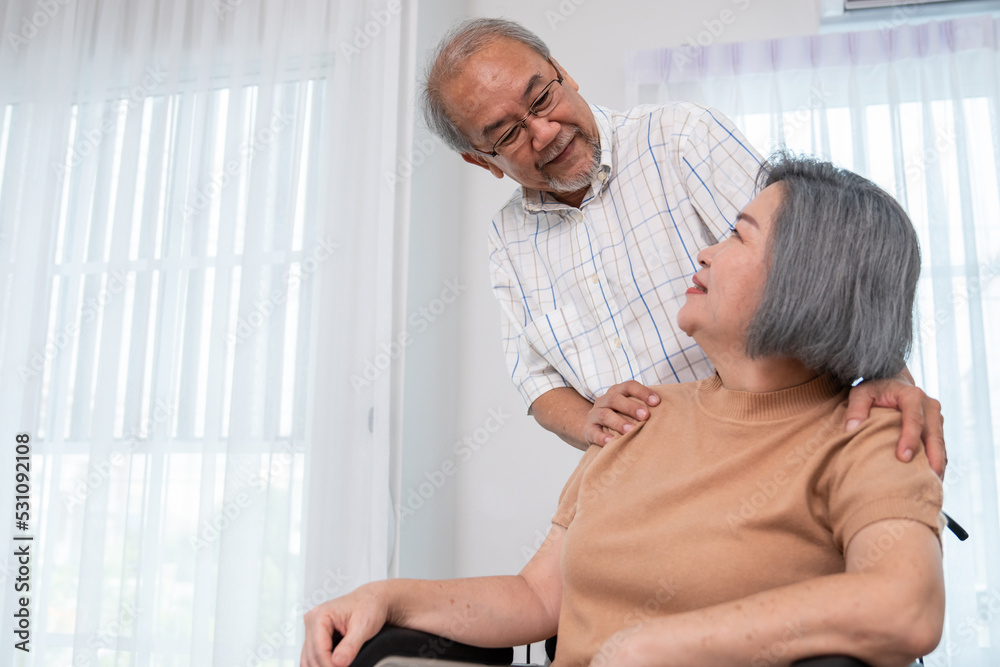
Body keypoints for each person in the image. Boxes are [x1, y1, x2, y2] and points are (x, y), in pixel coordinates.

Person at [300, 155, 944, 667]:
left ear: (807, 278)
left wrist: (652, 646)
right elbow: (535, 598)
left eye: (736, 236)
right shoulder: (640, 416)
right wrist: (391, 596)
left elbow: (904, 606)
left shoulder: (871, 432)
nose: (704, 252)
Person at [419, 17, 946, 473]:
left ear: (564, 72)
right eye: (508, 134)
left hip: (782, 451)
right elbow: (534, 380)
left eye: (542, 97)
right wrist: (588, 420)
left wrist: (889, 376)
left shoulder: (683, 137)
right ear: (481, 161)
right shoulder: (507, 241)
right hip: (652, 487)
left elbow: (814, 261)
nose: (544, 130)